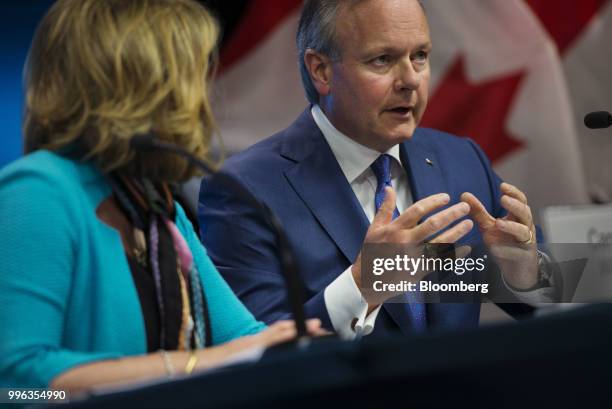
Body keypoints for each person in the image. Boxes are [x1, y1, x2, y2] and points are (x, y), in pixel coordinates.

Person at [0, 0, 322, 392]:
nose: (204, 99)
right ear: (141, 89)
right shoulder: (38, 192)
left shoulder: (153, 205)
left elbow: (246, 339)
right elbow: (15, 381)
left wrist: (314, 350)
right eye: (193, 78)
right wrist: (196, 364)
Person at [198, 0, 556, 339]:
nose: (410, 80)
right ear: (321, 70)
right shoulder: (244, 188)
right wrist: (364, 284)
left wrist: (523, 273)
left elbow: (555, 299)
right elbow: (254, 353)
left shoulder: (461, 159)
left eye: (420, 56)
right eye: (383, 59)